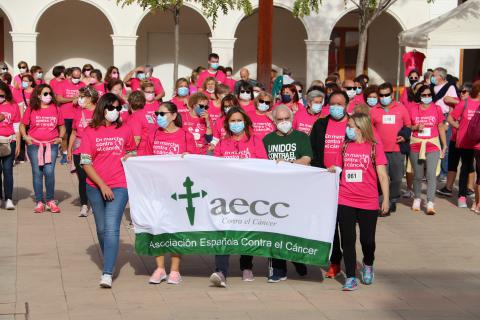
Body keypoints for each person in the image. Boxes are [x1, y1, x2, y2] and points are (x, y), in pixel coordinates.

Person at [327, 112, 389, 291]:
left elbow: (383, 176)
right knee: (347, 239)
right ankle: (351, 277)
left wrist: (384, 199)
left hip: (368, 201)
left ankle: (368, 264)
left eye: (351, 126)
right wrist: (331, 170)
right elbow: (338, 168)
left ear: (361, 127)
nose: (348, 129)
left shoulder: (374, 147)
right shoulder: (344, 146)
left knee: (367, 240)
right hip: (345, 199)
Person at [80, 93, 136, 289]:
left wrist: (131, 155)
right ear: (102, 109)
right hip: (95, 186)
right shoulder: (89, 131)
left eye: (117, 108)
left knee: (112, 228)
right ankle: (109, 260)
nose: (115, 112)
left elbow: (132, 150)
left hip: (120, 184)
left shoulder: (125, 129)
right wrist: (102, 185)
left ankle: (107, 272)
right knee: (102, 229)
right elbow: (85, 163)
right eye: (111, 108)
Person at [209, 107, 267, 288]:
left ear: (246, 122)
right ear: (227, 124)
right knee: (223, 230)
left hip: (249, 194)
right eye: (232, 121)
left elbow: (264, 165)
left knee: (246, 229)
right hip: (226, 195)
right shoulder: (222, 144)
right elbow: (214, 168)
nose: (236, 124)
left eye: (239, 120)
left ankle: (247, 266)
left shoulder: (256, 141)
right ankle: (221, 270)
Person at [146, 101, 197, 285]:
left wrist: (188, 159)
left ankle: (175, 270)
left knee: (176, 228)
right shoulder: (152, 133)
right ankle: (160, 268)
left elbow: (194, 160)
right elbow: (144, 157)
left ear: (174, 116)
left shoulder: (185, 135)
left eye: (163, 113)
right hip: (157, 189)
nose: (159, 117)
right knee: (157, 227)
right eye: (157, 113)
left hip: (178, 190)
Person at [262, 104, 312, 282]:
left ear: (292, 119)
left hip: (297, 190)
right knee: (275, 230)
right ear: (274, 121)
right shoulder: (267, 140)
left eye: (286, 119)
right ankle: (278, 269)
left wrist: (287, 162)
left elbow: (306, 160)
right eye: (280, 119)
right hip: (274, 191)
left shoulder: (302, 137)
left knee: (294, 228)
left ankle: (296, 258)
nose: (283, 122)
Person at [310, 90, 349, 279]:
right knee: (331, 225)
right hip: (326, 180)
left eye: (340, 104)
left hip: (349, 182)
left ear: (347, 106)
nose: (336, 107)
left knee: (347, 225)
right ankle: (334, 261)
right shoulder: (320, 124)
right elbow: (313, 150)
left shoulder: (353, 125)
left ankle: (353, 261)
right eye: (332, 103)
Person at [20, 84, 66, 213]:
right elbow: (23, 125)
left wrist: (60, 138)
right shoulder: (32, 108)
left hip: (51, 144)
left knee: (49, 172)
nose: (49, 96)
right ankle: (39, 201)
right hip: (34, 145)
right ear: (39, 95)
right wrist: (25, 137)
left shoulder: (56, 109)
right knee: (37, 172)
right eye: (45, 94)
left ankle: (50, 200)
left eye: (50, 93)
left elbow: (62, 126)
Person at [370, 82, 411, 214]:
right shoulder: (374, 110)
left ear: (392, 94)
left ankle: (393, 199)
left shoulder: (401, 108)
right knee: (381, 177)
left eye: (387, 94)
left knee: (397, 178)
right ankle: (383, 201)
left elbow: (408, 125)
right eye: (381, 95)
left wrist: (404, 136)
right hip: (379, 150)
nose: (384, 97)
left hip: (397, 149)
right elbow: (368, 129)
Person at [409, 85, 447, 214]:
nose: (426, 97)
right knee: (418, 175)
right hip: (416, 144)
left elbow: (441, 126)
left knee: (431, 174)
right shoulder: (412, 109)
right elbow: (408, 125)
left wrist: (444, 144)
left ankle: (430, 203)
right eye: (423, 95)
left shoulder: (437, 108)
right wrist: (415, 127)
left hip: (432, 143)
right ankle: (417, 199)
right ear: (419, 96)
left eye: (429, 95)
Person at [447, 81, 480, 208]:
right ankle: (462, 196)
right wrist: (459, 127)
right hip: (465, 142)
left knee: (476, 171)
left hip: (477, 143)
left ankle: (477, 200)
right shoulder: (465, 103)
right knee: (465, 168)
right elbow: (450, 118)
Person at [67, 86, 98, 217]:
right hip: (78, 150)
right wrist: (68, 150)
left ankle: (96, 203)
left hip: (94, 150)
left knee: (94, 177)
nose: (79, 99)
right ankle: (84, 204)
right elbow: (73, 132)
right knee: (82, 178)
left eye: (82, 97)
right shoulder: (79, 112)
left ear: (90, 99)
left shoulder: (99, 113)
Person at [431, 67, 459, 181]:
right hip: (435, 117)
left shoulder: (450, 87)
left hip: (445, 118)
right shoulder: (433, 87)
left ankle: (444, 172)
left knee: (445, 146)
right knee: (435, 145)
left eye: (434, 75)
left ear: (440, 77)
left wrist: (448, 122)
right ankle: (435, 171)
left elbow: (453, 106)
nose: (432, 77)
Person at [56, 67, 85, 165]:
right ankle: (65, 154)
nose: (76, 78)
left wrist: (80, 99)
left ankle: (73, 153)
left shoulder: (83, 85)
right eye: (74, 77)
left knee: (76, 136)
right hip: (65, 114)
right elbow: (59, 99)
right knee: (64, 135)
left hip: (79, 115)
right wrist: (73, 98)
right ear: (70, 76)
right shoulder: (62, 84)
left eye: (78, 77)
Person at [0, 82, 21, 209]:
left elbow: (17, 126)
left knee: (8, 170)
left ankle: (8, 198)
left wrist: (18, 144)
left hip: (10, 141)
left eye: (1, 95)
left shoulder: (13, 106)